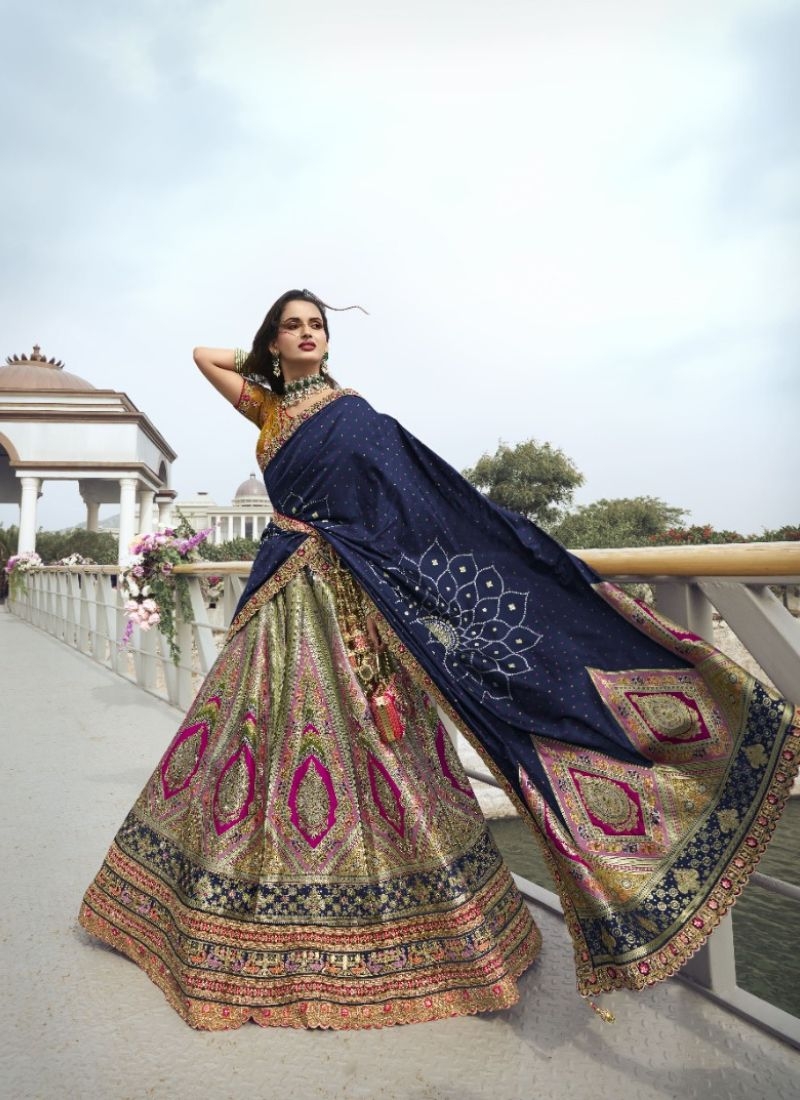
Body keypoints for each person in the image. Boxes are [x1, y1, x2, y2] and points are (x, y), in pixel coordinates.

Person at [79, 289, 799, 1032]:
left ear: (330, 341)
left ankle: (413, 927)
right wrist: (260, 358)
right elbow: (201, 355)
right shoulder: (266, 410)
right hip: (280, 605)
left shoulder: (356, 418)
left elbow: (425, 508)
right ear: (271, 340)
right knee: (254, 740)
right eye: (291, 326)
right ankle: (231, 915)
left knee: (373, 751)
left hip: (352, 603)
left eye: (316, 326)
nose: (306, 335)